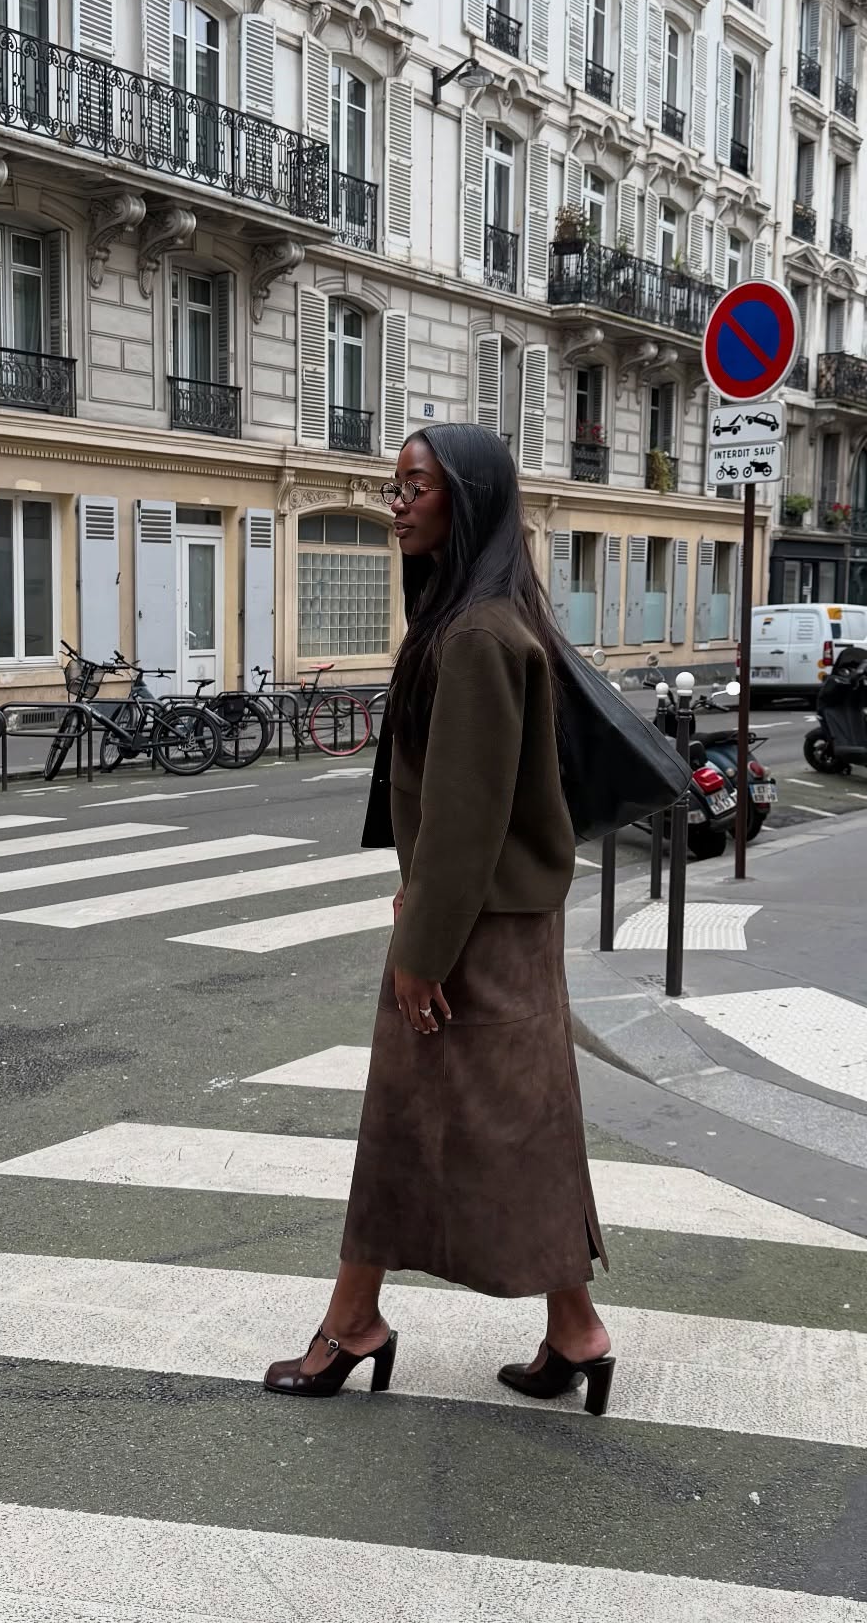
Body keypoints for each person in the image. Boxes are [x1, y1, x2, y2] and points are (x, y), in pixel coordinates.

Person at [264, 423, 615, 1417]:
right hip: (494, 922)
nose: (397, 501)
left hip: (473, 935)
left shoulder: (472, 639)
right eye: (394, 484)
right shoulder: (488, 620)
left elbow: (468, 817)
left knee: (419, 1125)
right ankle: (571, 1328)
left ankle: (352, 1322)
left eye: (416, 485)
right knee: (516, 1123)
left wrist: (421, 950)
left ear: (467, 497)